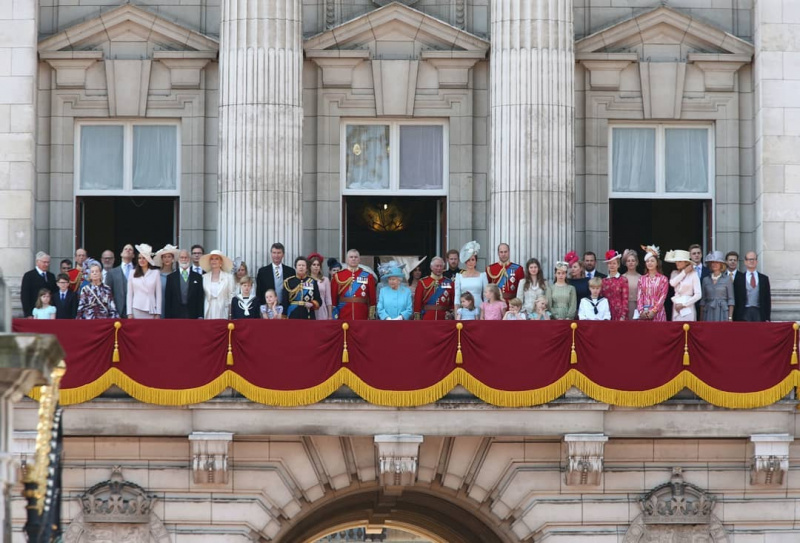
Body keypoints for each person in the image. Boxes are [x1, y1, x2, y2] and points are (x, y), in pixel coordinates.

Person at [331, 249, 376, 320]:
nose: (353, 259)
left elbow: (372, 298)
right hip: (343, 312)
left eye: (356, 257)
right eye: (351, 257)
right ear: (346, 260)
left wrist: (371, 314)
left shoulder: (368, 276)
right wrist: (334, 313)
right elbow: (333, 297)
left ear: (359, 260)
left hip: (362, 313)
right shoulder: (338, 276)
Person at [164, 249, 204, 319]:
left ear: (189, 259)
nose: (184, 259)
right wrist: (167, 317)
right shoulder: (171, 277)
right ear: (178, 259)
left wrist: (200, 315)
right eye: (181, 257)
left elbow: (200, 298)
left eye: (186, 257)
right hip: (175, 315)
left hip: (193, 314)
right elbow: (168, 299)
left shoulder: (198, 277)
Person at [126, 244, 162, 319]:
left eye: (144, 258)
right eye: (139, 258)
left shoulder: (155, 273)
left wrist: (158, 312)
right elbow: (129, 294)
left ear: (148, 259)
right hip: (136, 308)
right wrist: (129, 312)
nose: (141, 260)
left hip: (151, 308)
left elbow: (158, 294)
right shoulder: (132, 273)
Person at [733, 251, 771, 322]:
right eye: (749, 259)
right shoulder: (739, 278)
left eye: (753, 259)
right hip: (743, 313)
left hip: (759, 313)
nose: (751, 261)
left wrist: (767, 317)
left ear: (756, 261)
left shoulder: (764, 278)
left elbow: (767, 299)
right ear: (745, 262)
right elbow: (735, 298)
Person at [666, 249, 701, 322]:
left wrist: (684, 304)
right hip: (676, 305)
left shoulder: (693, 274)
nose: (677, 263)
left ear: (686, 262)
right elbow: (672, 283)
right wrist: (684, 272)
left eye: (680, 261)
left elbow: (698, 294)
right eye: (676, 261)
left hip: (688, 306)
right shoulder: (674, 273)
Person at [256, 242, 295, 306]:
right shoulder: (262, 272)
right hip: (268, 308)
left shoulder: (290, 271)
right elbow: (259, 292)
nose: (276, 255)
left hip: (286, 308)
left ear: (283, 254)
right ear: (271, 254)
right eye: (274, 253)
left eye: (279, 253)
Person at [200, 250, 236, 320]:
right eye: (212, 259)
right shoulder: (204, 277)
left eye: (216, 259)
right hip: (208, 309)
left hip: (223, 309)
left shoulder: (228, 277)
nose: (214, 261)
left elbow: (231, 295)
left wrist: (230, 312)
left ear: (221, 262)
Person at [700, 251, 734, 322]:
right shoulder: (705, 280)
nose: (714, 264)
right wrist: (701, 318)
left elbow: (731, 299)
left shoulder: (727, 279)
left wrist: (730, 317)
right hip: (708, 312)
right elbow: (703, 300)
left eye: (717, 262)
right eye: (712, 262)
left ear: (722, 264)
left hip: (722, 312)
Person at [637, 245, 668, 322]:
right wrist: (641, 311)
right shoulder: (641, 279)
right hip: (645, 313)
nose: (649, 263)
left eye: (652, 261)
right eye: (647, 261)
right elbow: (639, 297)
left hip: (658, 313)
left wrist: (654, 311)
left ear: (657, 263)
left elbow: (662, 297)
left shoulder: (663, 279)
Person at [455, 241, 488, 313]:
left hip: (479, 307)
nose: (470, 262)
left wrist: (485, 313)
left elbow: (486, 297)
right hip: (464, 309)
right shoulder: (459, 277)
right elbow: (457, 298)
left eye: (473, 260)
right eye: (468, 260)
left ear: (476, 261)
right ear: (465, 262)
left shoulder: (482, 276)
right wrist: (456, 314)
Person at [21, 251, 57, 318]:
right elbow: (25, 296)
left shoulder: (51, 276)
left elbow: (54, 293)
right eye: (44, 262)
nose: (46, 264)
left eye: (48, 262)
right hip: (34, 313)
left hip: (49, 313)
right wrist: (28, 314)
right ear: (37, 262)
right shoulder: (29, 276)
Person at [105, 244, 135, 318]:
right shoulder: (112, 273)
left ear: (133, 255)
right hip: (117, 311)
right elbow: (107, 294)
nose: (128, 250)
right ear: (121, 254)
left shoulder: (138, 271)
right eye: (125, 249)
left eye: (130, 249)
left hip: (135, 310)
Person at [601, 250, 628, 321]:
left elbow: (625, 299)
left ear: (618, 265)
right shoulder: (603, 281)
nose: (612, 265)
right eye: (609, 263)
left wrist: (623, 315)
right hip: (606, 312)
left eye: (614, 263)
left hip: (619, 313)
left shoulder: (623, 279)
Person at [154, 244, 179, 318]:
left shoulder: (177, 274)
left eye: (169, 257)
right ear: (161, 259)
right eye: (164, 257)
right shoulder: (156, 274)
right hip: (159, 307)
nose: (167, 259)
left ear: (173, 259)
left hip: (173, 308)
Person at [308, 253, 333, 320]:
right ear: (310, 266)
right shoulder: (306, 279)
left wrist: (330, 315)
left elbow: (328, 299)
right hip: (309, 309)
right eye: (314, 265)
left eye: (318, 265)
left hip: (322, 309)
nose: (316, 267)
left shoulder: (325, 280)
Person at [622, 249, 641, 320]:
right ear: (625, 263)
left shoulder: (641, 278)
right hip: (625, 307)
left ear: (637, 262)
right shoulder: (622, 278)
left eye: (633, 261)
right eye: (628, 261)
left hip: (638, 307)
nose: (631, 263)